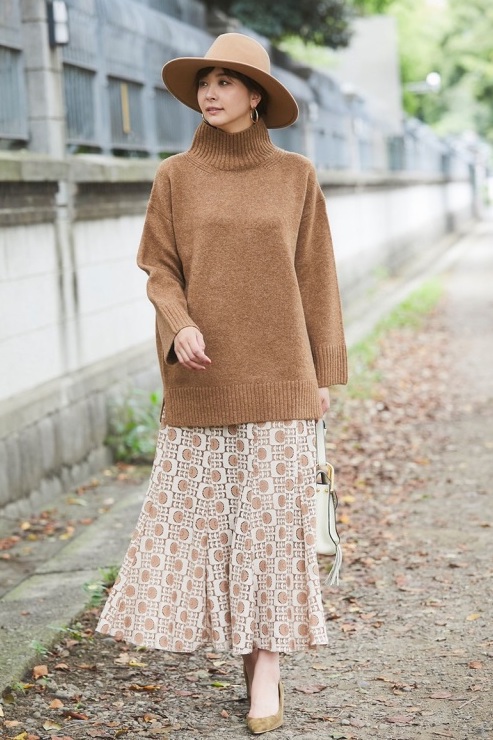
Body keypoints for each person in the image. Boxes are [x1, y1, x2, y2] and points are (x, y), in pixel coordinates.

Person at [96, 32, 347, 734]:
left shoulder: (295, 175)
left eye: (226, 81)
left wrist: (323, 373)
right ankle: (249, 656)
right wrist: (179, 326)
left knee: (270, 532)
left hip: (281, 377)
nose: (210, 91)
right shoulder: (175, 177)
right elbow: (158, 267)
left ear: (256, 95)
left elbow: (317, 277)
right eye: (204, 81)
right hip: (202, 382)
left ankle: (265, 672)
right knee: (213, 532)